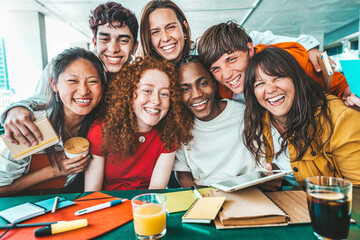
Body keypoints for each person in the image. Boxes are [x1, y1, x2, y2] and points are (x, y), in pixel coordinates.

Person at [1, 2, 139, 147]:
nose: (113, 49)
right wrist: (15, 110)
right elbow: (39, 100)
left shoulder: (141, 80)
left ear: (134, 47)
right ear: (94, 42)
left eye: (123, 40)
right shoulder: (67, 66)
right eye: (105, 39)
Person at [243, 47, 360, 187]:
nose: (270, 89)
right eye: (260, 83)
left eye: (278, 77)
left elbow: (357, 190)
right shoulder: (261, 118)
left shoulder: (340, 119)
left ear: (295, 79)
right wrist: (274, 179)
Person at [0, 47, 106, 196]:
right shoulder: (27, 126)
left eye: (93, 81)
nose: (83, 90)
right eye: (72, 81)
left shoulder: (98, 126)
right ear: (54, 84)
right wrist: (54, 171)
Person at [84, 56, 193, 191]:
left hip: (146, 205)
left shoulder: (169, 133)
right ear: (129, 94)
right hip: (108, 205)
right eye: (147, 91)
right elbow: (92, 194)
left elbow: (156, 189)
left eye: (164, 94)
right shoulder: (101, 130)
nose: (156, 101)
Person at [197, 21, 354, 104]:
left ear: (250, 50)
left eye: (231, 60)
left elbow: (341, 86)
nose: (227, 74)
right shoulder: (220, 89)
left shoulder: (292, 62)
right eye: (215, 68)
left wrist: (349, 96)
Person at [140, 0, 321, 65]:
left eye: (170, 27)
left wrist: (307, 47)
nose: (165, 38)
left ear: (184, 27)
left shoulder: (203, 51)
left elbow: (254, 39)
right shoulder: (148, 74)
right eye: (155, 32)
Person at [173, 56, 261, 187]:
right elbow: (183, 174)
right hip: (205, 196)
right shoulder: (182, 126)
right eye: (185, 89)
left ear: (214, 84)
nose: (196, 94)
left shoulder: (246, 114)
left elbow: (263, 166)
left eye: (203, 83)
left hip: (249, 192)